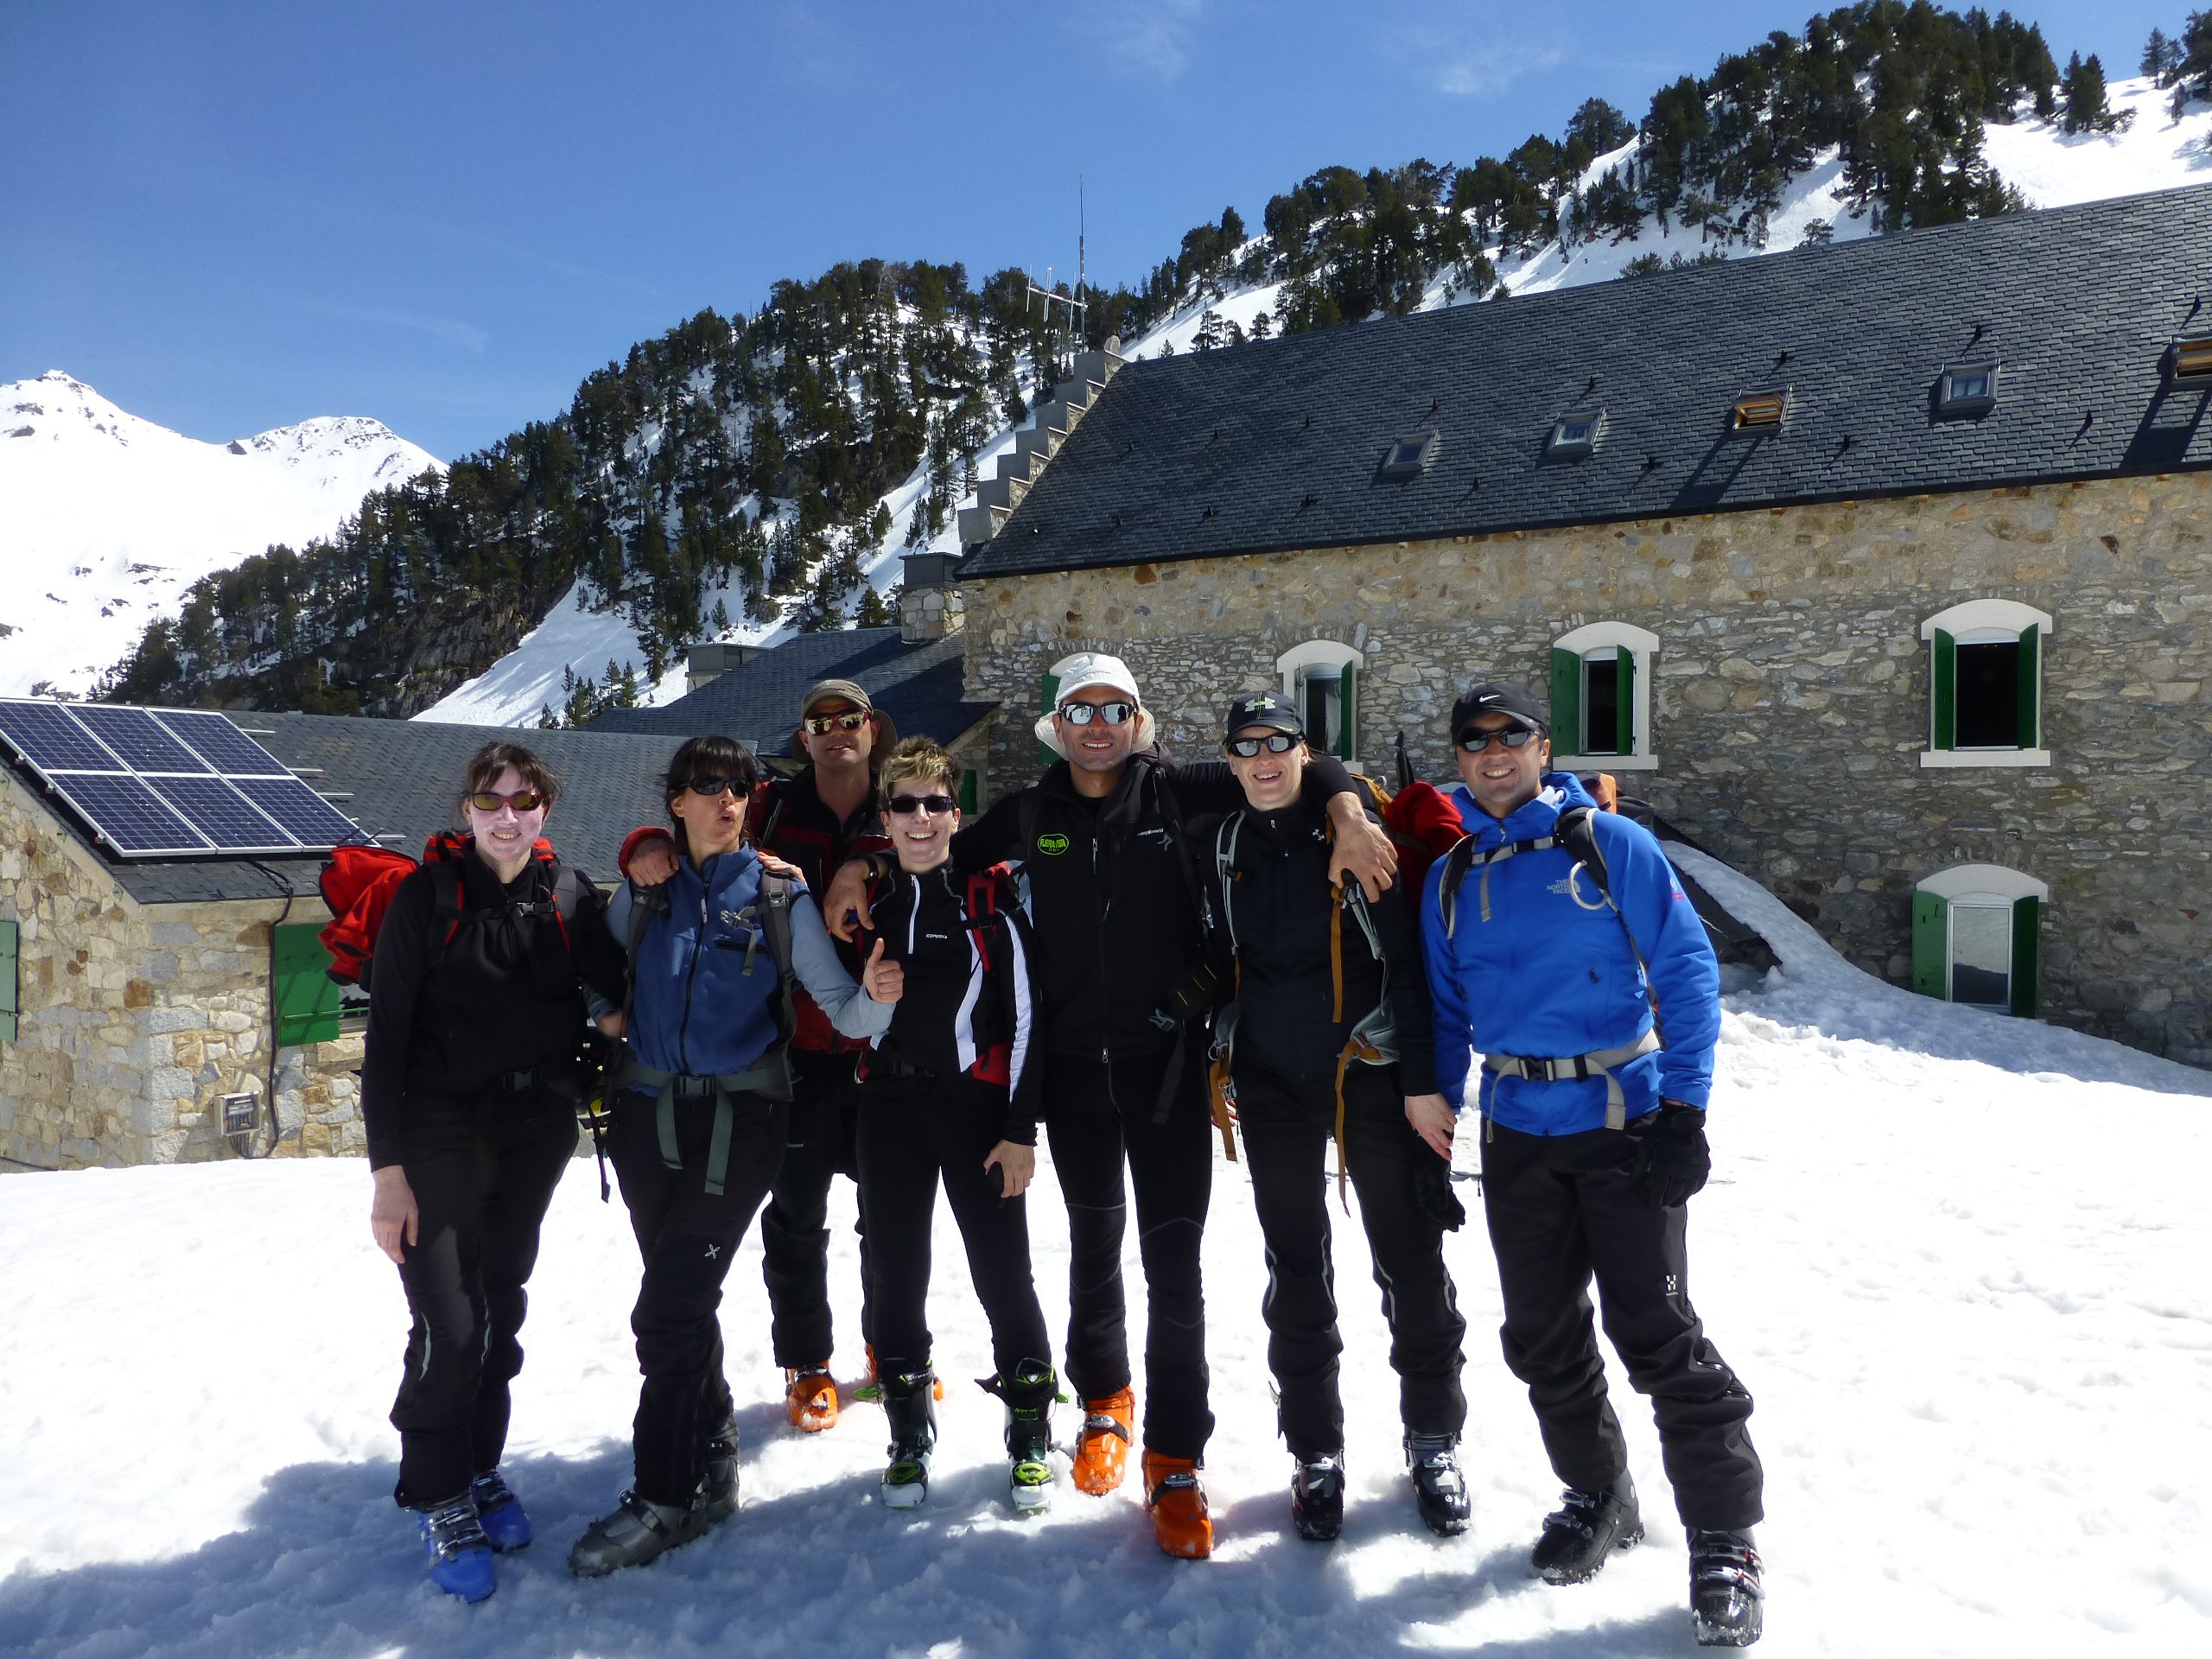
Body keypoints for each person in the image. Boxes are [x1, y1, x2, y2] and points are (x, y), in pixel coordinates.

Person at [823, 651, 1397, 1559]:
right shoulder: (1029, 811)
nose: (1098, 726)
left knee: (1175, 1272)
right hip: (1074, 1083)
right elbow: (924, 847)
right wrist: (857, 870)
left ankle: (1174, 1459)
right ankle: (1103, 1405)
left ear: (1137, 722)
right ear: (1057, 724)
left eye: (1115, 710)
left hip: (1165, 1072)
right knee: (1092, 1253)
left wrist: (1346, 808)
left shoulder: (1179, 792)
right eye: (1080, 710)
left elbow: (1307, 762)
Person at [1421, 681, 1766, 1649]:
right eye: (1474, 740)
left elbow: (1688, 973)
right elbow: (1448, 1018)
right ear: (1458, 758)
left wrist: (1685, 1114)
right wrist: (1437, 1134)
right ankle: (1598, 1495)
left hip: (1622, 1120)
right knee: (1538, 1335)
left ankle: (1724, 1540)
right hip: (1517, 1127)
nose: (1492, 754)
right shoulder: (1450, 875)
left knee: (1656, 1332)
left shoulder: (1608, 846)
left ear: (1543, 745)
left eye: (1510, 736)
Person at [568, 734, 895, 1578]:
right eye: (706, 787)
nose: (726, 800)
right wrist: (606, 1014)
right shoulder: (645, 891)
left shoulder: (780, 895)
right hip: (644, 1120)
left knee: (668, 1311)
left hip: (744, 1125)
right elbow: (587, 968)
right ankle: (712, 1459)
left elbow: (843, 1011)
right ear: (675, 802)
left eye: (739, 787)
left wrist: (882, 1001)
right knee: (684, 1302)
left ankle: (663, 1493)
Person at [1198, 693, 1471, 1543]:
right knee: (1296, 1275)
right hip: (1273, 1084)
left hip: (1370, 1081)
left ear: (1303, 751)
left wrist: (1424, 1081)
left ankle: (1433, 1442)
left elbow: (1410, 971)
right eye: (1246, 748)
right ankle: (1314, 1454)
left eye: (1279, 744)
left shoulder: (1359, 838)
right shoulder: (1226, 841)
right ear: (1232, 760)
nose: (1263, 759)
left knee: (1410, 1267)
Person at [365, 741, 627, 1603]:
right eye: (491, 801)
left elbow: (614, 990)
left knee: (501, 1308)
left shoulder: (568, 893)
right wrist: (387, 1173)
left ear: (545, 808)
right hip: (440, 1127)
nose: (507, 816)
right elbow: (385, 1042)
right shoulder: (426, 898)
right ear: (467, 810)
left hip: (534, 1127)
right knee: (450, 1320)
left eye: (523, 800)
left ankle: (478, 1470)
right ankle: (438, 1494)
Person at [624, 677, 893, 1433]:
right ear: (803, 735)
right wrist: (642, 844)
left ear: (873, 728)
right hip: (796, 1053)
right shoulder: (770, 802)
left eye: (850, 718)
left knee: (891, 1217)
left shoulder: (907, 800)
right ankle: (807, 1363)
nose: (836, 730)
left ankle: (891, 1349)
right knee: (796, 1217)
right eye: (820, 720)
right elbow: (698, 844)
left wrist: (867, 867)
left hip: (886, 1050)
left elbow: (943, 854)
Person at [847, 737, 1057, 1512]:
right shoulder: (869, 904)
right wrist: (869, 991)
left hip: (977, 1113)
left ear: (955, 813)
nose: (922, 818)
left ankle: (1030, 1427)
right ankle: (908, 1428)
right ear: (886, 817)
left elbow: (1034, 1022)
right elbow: (850, 1019)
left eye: (936, 804)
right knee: (894, 1273)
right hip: (891, 1109)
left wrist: (1021, 1129)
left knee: (1004, 1271)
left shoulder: (991, 902)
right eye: (906, 805)